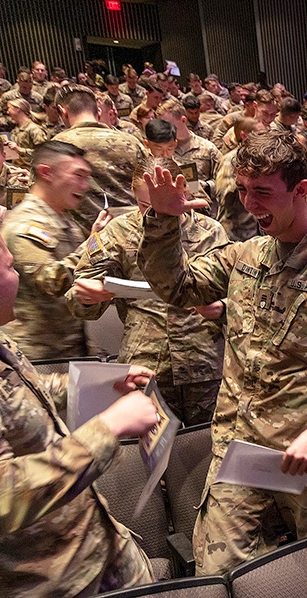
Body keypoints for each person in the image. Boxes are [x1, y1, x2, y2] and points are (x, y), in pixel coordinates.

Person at [138, 129, 307, 575]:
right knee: (220, 577)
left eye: (262, 192)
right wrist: (162, 220)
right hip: (242, 449)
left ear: (301, 190)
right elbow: (176, 287)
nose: (249, 204)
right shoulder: (245, 254)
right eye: (242, 190)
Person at [0, 205, 160, 598]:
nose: (18, 275)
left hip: (90, 548)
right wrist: (111, 428)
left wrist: (100, 383)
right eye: (10, 266)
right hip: (47, 582)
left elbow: (20, 398)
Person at [66, 159, 229, 425]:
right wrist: (87, 296)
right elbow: (76, 297)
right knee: (151, 454)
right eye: (144, 205)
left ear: (183, 190)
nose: (151, 213)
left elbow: (239, 295)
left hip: (205, 363)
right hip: (146, 364)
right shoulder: (119, 231)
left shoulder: (210, 232)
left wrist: (221, 307)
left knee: (207, 447)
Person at [0, 141, 110, 361]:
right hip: (39, 356)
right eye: (78, 175)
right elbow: (52, 282)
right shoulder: (25, 225)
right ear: (46, 173)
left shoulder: (62, 219)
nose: (85, 185)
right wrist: (96, 242)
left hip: (69, 347)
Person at [53, 85, 152, 229]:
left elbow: (44, 201)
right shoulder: (131, 142)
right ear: (98, 112)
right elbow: (153, 186)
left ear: (63, 111)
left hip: (84, 244)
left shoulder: (55, 147)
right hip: (135, 234)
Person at [6, 97, 48, 167]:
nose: (7, 112)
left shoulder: (34, 129)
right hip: (17, 169)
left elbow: (43, 153)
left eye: (9, 108)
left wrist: (19, 150)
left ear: (17, 109)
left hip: (31, 170)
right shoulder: (15, 130)